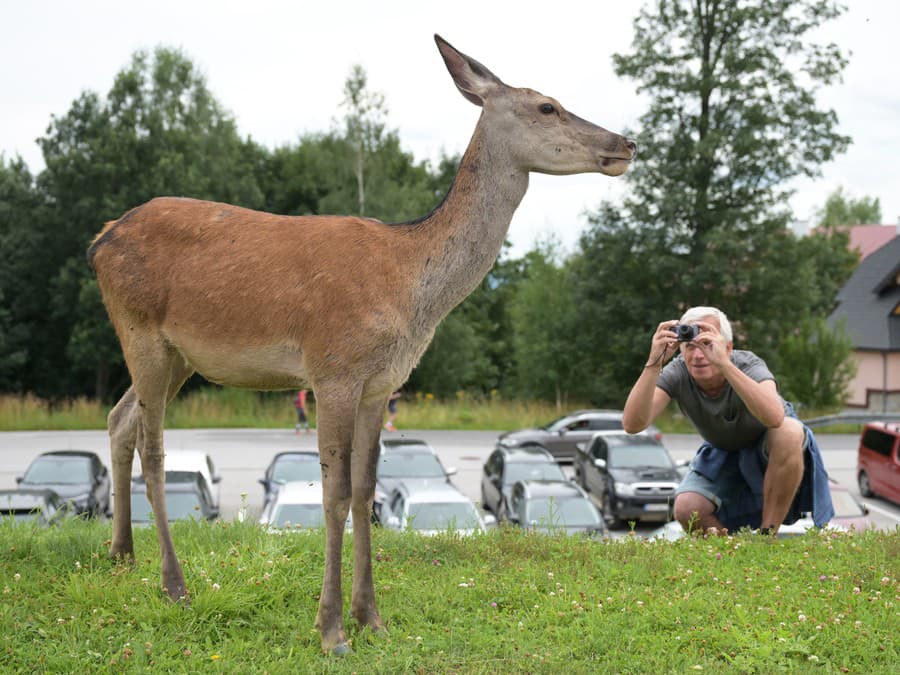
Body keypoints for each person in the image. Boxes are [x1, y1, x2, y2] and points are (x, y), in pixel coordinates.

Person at [622, 306, 833, 536]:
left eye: (707, 345)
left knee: (790, 431)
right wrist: (654, 362)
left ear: (728, 348)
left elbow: (775, 417)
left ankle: (767, 539)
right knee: (687, 509)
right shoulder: (678, 371)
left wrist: (724, 364)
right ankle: (731, 555)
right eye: (689, 347)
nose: (698, 356)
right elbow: (633, 424)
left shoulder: (748, 364)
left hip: (768, 443)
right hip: (724, 450)